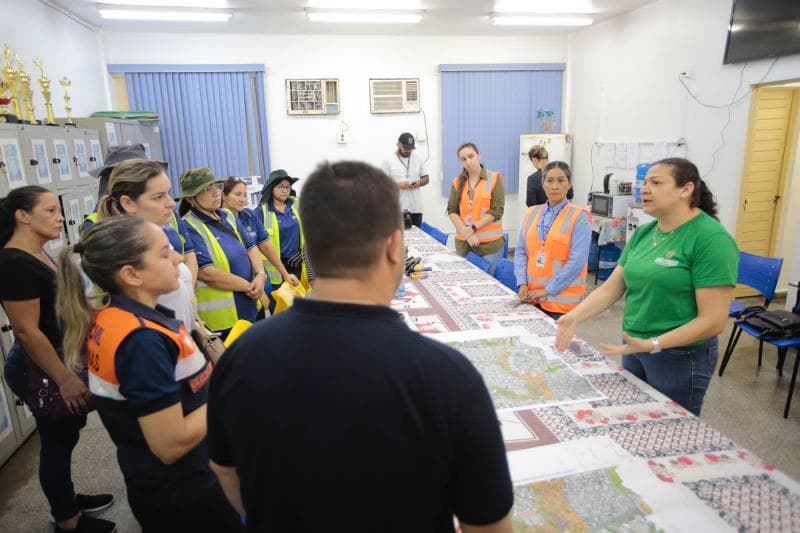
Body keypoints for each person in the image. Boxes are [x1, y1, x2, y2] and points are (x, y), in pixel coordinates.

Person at [207, 161, 513, 532]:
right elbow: (487, 525)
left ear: (310, 245)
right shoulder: (448, 377)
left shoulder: (239, 357)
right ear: (394, 247)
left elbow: (226, 471)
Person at [56, 216, 244, 532]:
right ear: (131, 274)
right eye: (164, 253)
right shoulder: (141, 342)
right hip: (187, 495)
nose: (177, 259)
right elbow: (170, 444)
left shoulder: (118, 315)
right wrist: (229, 393)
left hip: (158, 482)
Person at [555, 158, 738, 416]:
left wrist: (654, 343)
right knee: (638, 416)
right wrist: (574, 316)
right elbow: (613, 287)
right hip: (635, 345)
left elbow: (713, 321)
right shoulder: (645, 233)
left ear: (685, 189)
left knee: (672, 429)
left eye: (656, 182)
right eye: (644, 183)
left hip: (679, 357)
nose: (645, 189)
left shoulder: (711, 239)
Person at [0, 186, 116, 533]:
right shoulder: (13, 262)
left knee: (64, 439)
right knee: (56, 442)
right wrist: (65, 379)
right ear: (22, 216)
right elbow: (26, 330)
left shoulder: (39, 253)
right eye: (49, 210)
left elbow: (61, 310)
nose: (60, 216)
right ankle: (67, 520)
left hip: (54, 359)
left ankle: (63, 497)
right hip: (40, 366)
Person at [97, 159, 197, 329]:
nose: (171, 203)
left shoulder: (156, 237)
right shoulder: (131, 252)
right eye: (159, 197)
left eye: (168, 193)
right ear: (128, 203)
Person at [81, 144, 198, 284]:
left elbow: (189, 254)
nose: (172, 203)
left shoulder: (164, 217)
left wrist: (186, 291)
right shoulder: (96, 226)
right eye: (158, 196)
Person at [178, 168, 267, 338]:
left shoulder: (227, 215)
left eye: (217, 186)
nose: (216, 193)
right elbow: (206, 272)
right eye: (206, 189)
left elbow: (251, 247)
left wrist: (261, 275)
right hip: (222, 319)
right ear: (191, 198)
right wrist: (250, 286)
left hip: (247, 306)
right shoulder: (188, 225)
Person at [515, 161, 591, 320]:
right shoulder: (531, 213)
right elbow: (521, 251)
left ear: (569, 184)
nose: (555, 186)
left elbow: (577, 261)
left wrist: (547, 290)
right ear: (543, 184)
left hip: (561, 304)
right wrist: (522, 283)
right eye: (549, 180)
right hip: (532, 298)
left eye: (561, 180)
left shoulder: (579, 217)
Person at [221, 176, 297, 294]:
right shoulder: (217, 221)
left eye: (245, 195)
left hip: (258, 279)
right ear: (223, 196)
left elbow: (266, 246)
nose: (242, 199)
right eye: (238, 194)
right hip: (234, 284)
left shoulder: (250, 216)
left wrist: (285, 274)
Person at [447, 142, 505, 275]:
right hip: (464, 245)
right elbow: (452, 210)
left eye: (471, 156)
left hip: (489, 246)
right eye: (463, 159)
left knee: (488, 286)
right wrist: (466, 233)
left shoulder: (495, 178)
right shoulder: (457, 182)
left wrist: (472, 229)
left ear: (479, 156)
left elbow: (497, 211)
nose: (468, 161)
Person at [255, 169, 311, 291]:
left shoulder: (296, 203)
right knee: (279, 305)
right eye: (281, 187)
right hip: (274, 271)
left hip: (297, 265)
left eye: (287, 187)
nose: (285, 190)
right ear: (271, 188)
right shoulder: (261, 211)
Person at [381, 132, 430, 226]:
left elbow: (426, 178)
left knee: (417, 237)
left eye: (410, 148)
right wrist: (399, 185)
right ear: (398, 145)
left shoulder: (418, 158)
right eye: (405, 148)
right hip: (396, 208)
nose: (408, 150)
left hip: (416, 208)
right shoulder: (388, 160)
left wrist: (419, 183)